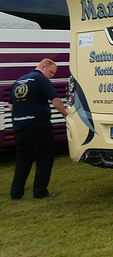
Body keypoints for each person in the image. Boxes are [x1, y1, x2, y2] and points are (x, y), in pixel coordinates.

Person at [9, 58, 68, 200]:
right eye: (51, 72)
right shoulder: (40, 79)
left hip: (19, 126)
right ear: (43, 67)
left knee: (23, 160)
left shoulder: (18, 81)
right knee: (44, 158)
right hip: (39, 126)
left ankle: (16, 193)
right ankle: (40, 191)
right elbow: (55, 99)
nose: (52, 76)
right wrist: (66, 115)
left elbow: (11, 105)